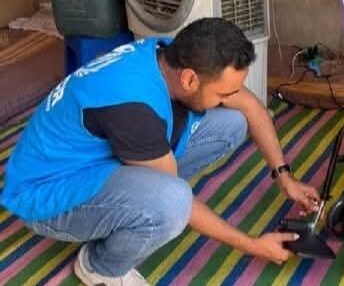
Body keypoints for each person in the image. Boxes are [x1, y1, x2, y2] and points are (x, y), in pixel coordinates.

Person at [1, 18, 320, 286]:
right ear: (190, 79)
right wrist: (252, 246)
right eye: (224, 92)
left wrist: (284, 176)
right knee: (173, 202)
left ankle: (139, 201)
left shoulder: (168, 54)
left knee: (233, 122)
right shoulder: (134, 108)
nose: (230, 97)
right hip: (49, 194)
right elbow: (180, 199)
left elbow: (251, 107)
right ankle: (100, 266)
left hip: (99, 156)